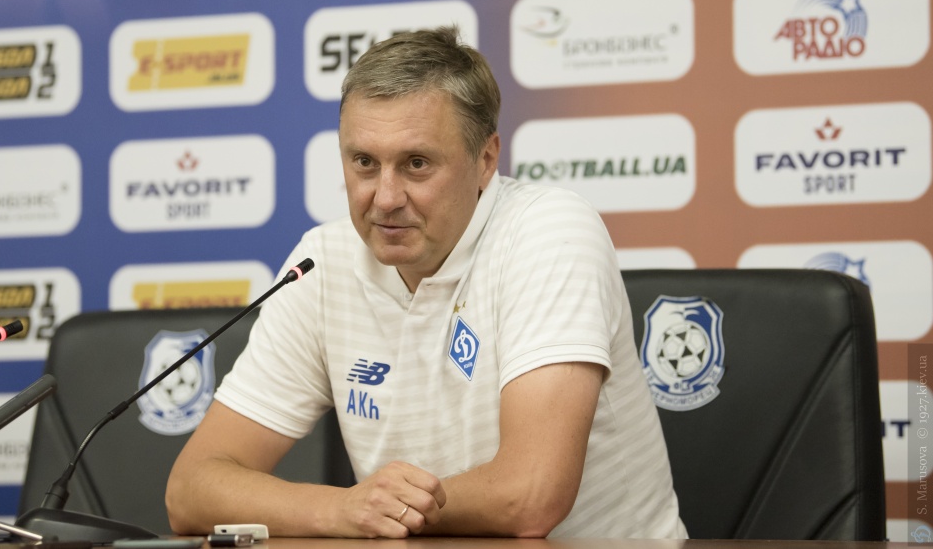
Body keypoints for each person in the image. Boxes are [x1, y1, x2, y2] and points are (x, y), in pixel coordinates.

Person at [165, 26, 687, 539]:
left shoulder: (549, 231)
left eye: (416, 164)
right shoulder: (322, 263)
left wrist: (379, 512)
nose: (385, 198)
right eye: (364, 163)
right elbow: (191, 490)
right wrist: (341, 509)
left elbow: (530, 496)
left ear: (485, 160)